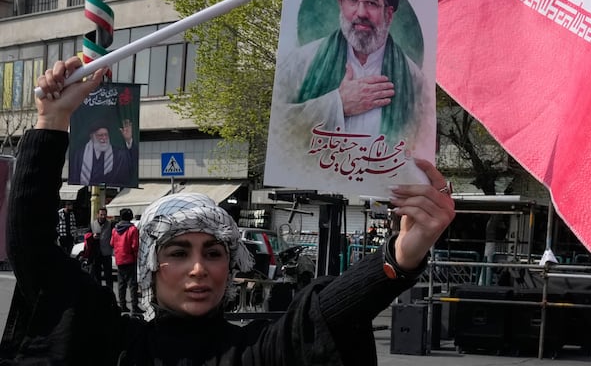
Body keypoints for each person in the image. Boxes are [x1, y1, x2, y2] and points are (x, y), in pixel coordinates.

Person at [0, 56, 455, 364]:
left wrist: (401, 257)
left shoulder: (255, 350)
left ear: (232, 264)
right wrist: (51, 122)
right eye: (178, 252)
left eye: (213, 253)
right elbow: (34, 253)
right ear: (150, 267)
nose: (199, 269)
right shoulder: (115, 346)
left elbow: (323, 314)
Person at [269, 0, 433, 161]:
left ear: (388, 14)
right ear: (340, 3)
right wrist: (337, 104)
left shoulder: (415, 82)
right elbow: (279, 129)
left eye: (372, 3)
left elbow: (421, 148)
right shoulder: (301, 63)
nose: (361, 13)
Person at [68, 118, 137, 187]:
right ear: (92, 137)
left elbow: (131, 162)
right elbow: (75, 178)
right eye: (100, 135)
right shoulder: (80, 155)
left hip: (111, 193)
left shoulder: (118, 154)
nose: (104, 138)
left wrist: (128, 140)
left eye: (106, 135)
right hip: (87, 193)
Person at [111, 207, 141, 314]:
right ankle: (134, 306)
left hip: (119, 259)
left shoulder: (115, 230)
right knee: (132, 284)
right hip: (130, 259)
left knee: (121, 284)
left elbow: (112, 243)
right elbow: (134, 246)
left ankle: (123, 305)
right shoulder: (132, 229)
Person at [90, 206, 114, 289]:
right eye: (101, 214)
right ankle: (98, 293)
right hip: (96, 253)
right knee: (97, 275)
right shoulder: (93, 224)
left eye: (104, 215)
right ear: (97, 215)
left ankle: (110, 292)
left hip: (107, 252)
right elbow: (88, 235)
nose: (103, 216)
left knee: (108, 275)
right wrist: (93, 236)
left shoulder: (110, 224)